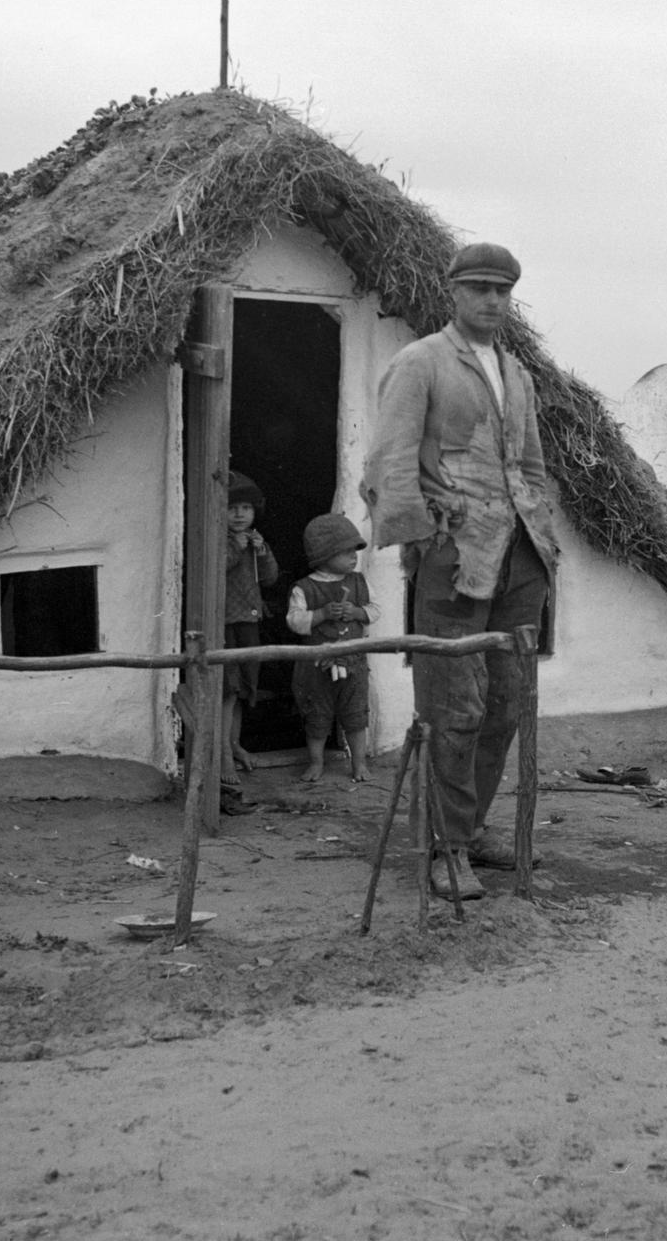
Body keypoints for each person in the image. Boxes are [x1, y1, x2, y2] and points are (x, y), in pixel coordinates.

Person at [362, 241, 559, 899]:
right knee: (454, 706)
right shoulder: (419, 363)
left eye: (501, 290)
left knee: (505, 704)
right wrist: (421, 540)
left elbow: (529, 466)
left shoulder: (518, 374)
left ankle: (469, 828)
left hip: (518, 558)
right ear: (453, 292)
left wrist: (541, 530)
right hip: (454, 557)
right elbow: (388, 461)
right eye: (478, 288)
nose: (491, 301)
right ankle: (442, 846)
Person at [286, 513, 381, 784]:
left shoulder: (359, 582)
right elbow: (294, 620)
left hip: (353, 662)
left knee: (355, 714)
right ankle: (316, 762)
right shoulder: (304, 588)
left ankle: (358, 763)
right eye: (346, 552)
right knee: (317, 715)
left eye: (355, 551)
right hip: (316, 665)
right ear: (324, 555)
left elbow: (375, 611)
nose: (353, 557)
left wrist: (356, 612)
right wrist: (322, 614)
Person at [222, 470, 277, 815]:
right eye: (233, 508)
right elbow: (214, 570)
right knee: (226, 688)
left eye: (246, 508)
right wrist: (234, 550)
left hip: (249, 622)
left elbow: (270, 578)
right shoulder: (219, 540)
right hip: (225, 623)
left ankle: (234, 744)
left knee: (242, 689)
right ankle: (225, 754)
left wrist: (262, 553)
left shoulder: (255, 540)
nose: (240, 514)